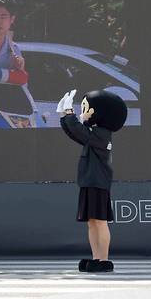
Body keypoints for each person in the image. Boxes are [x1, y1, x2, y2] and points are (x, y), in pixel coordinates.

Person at [57, 89, 127, 273]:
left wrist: (70, 114)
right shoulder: (95, 133)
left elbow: (80, 133)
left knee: (100, 221)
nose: (83, 112)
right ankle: (96, 258)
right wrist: (64, 117)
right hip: (89, 182)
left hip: (98, 183)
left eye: (86, 109)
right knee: (92, 222)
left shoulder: (102, 133)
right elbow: (76, 134)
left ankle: (103, 260)